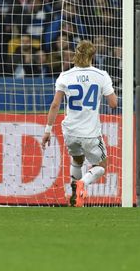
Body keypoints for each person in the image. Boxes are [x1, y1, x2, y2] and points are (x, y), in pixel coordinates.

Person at [41, 40, 118, 207]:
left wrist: (47, 131)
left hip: (70, 130)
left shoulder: (65, 76)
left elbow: (55, 105)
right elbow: (113, 104)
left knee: (77, 160)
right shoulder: (101, 75)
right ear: (93, 55)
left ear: (76, 54)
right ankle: (82, 183)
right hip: (90, 132)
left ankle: (74, 197)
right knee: (102, 166)